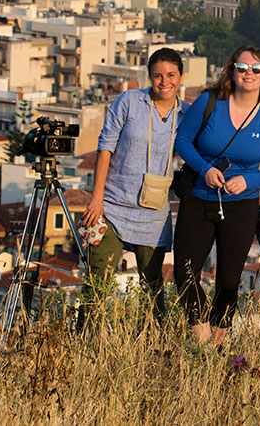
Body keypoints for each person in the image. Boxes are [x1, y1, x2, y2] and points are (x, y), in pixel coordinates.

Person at [173, 45, 260, 347]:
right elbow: (183, 141)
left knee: (229, 280)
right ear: (232, 71)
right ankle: (203, 342)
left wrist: (248, 180)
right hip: (199, 197)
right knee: (185, 272)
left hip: (240, 205)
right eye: (242, 68)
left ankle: (218, 343)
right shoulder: (209, 102)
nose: (248, 74)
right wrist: (204, 170)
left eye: (255, 69)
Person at [79, 47, 188, 328]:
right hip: (113, 205)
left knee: (152, 288)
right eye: (157, 76)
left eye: (171, 75)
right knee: (96, 284)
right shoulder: (129, 101)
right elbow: (105, 147)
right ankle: (82, 344)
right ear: (148, 77)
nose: (164, 82)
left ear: (181, 76)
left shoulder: (186, 114)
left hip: (154, 212)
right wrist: (97, 198)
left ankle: (152, 349)